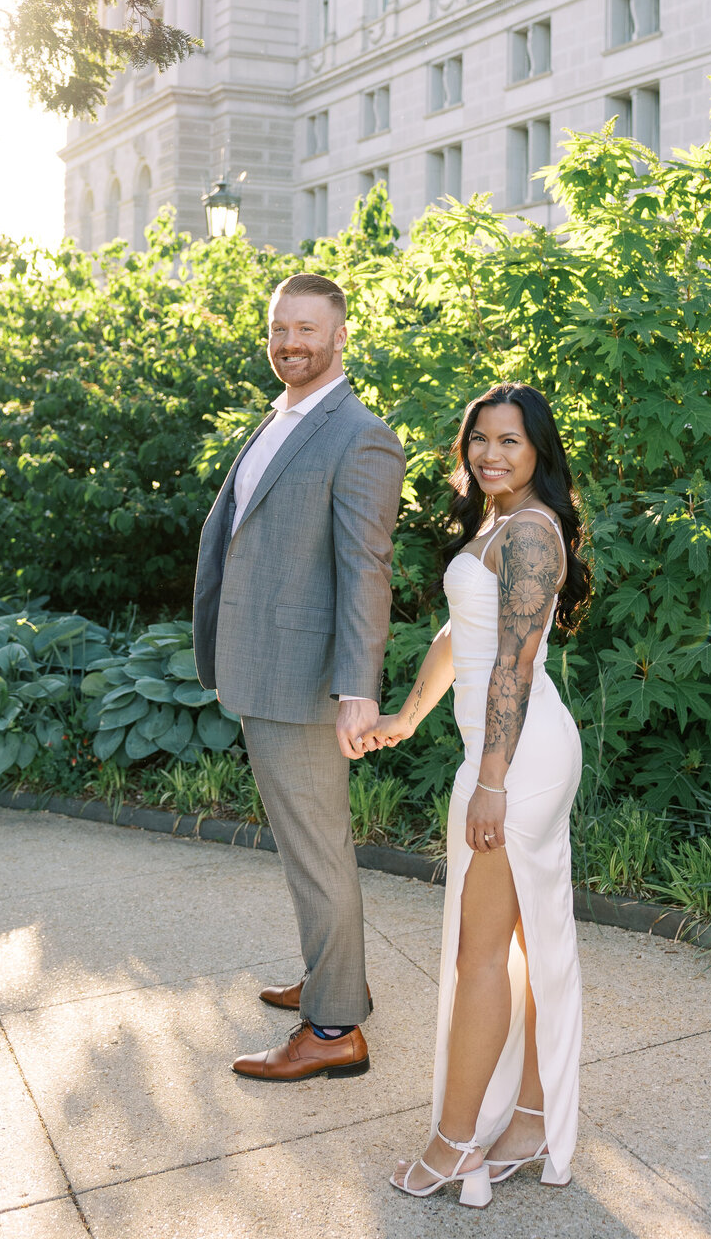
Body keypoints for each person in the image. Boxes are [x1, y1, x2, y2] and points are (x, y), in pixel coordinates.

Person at [369, 382, 590, 1207]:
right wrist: (405, 718)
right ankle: (528, 1122)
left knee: (481, 955)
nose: (490, 455)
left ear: (539, 452)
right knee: (519, 948)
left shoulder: (531, 535)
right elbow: (459, 637)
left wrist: (490, 781)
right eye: (480, 441)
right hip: (498, 753)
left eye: (511, 442)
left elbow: (514, 665)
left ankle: (455, 1141)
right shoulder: (496, 525)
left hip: (519, 761)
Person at [192, 271, 405, 1082]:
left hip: (306, 679)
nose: (291, 343)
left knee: (317, 850)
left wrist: (359, 688)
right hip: (265, 668)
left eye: (308, 330)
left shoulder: (360, 435)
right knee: (304, 844)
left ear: (341, 336)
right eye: (280, 328)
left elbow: (366, 572)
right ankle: (332, 977)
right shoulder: (285, 417)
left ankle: (333, 1030)